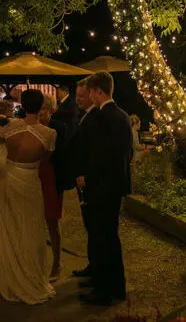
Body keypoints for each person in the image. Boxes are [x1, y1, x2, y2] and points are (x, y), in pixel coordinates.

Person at [78, 71, 133, 306]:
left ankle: (103, 291)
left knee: (102, 239)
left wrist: (89, 180)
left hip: (101, 188)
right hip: (116, 185)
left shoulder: (103, 117)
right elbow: (126, 154)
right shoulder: (122, 116)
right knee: (111, 237)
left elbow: (98, 158)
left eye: (91, 91)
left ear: (99, 91)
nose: (89, 95)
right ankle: (117, 286)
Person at [0, 89, 56, 305]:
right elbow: (45, 161)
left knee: (10, 227)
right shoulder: (50, 134)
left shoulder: (9, 127)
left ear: (21, 103)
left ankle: (10, 275)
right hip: (31, 181)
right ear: (41, 105)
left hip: (10, 179)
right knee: (31, 228)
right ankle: (31, 277)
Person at [70, 77, 100, 279]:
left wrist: (83, 173)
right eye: (76, 95)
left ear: (91, 94)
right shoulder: (85, 115)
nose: (77, 99)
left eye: (81, 95)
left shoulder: (96, 118)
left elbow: (93, 152)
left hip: (91, 181)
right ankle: (93, 264)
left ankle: (97, 268)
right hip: (84, 179)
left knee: (94, 226)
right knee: (89, 225)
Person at [39, 94, 68, 282]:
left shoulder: (59, 128)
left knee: (51, 220)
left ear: (51, 110)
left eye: (43, 112)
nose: (40, 115)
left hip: (51, 177)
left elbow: (62, 156)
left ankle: (57, 262)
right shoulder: (30, 126)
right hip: (34, 175)